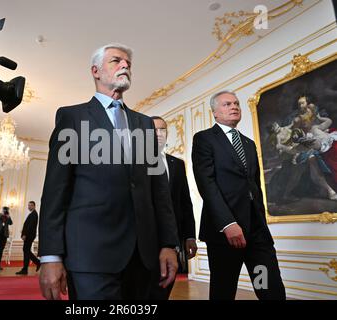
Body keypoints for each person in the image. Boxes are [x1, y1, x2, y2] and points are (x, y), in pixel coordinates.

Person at [38, 43, 179, 300]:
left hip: (144, 258)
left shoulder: (146, 124)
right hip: (91, 257)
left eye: (128, 63)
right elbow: (55, 192)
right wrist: (50, 255)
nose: (125, 65)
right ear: (96, 71)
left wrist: (169, 244)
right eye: (116, 61)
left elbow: (159, 192)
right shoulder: (72, 117)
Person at [191, 90, 285, 300]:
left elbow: (255, 186)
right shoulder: (204, 139)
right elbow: (207, 184)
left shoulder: (249, 144)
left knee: (269, 287)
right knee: (224, 290)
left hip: (256, 232)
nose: (233, 107)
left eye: (236, 104)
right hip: (225, 233)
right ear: (215, 112)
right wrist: (228, 223)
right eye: (226, 104)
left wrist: (261, 220)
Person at [149, 116, 197, 300]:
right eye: (154, 130)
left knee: (164, 289)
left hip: (172, 237)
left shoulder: (177, 164)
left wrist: (190, 235)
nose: (159, 134)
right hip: (145, 240)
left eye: (163, 129)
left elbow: (185, 202)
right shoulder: (135, 162)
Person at [16, 201, 40, 275]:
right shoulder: (32, 214)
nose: (29, 207)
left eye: (31, 205)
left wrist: (25, 234)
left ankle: (26, 268)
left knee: (26, 250)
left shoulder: (34, 214)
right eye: (28, 205)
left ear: (34, 206)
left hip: (29, 236)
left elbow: (30, 226)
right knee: (26, 250)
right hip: (29, 235)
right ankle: (36, 263)